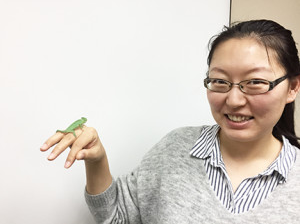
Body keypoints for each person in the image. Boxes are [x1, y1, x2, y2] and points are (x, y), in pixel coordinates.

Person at [41, 19, 300, 223]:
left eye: (255, 82)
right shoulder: (175, 148)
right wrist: (97, 159)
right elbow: (117, 217)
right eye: (220, 81)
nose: (233, 100)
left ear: (292, 88)